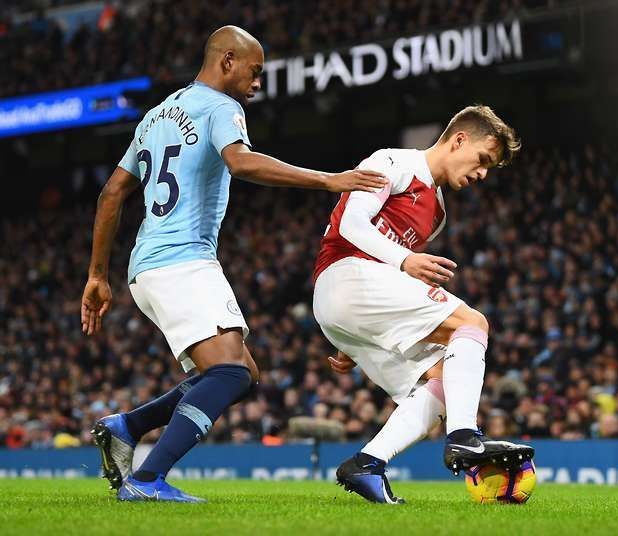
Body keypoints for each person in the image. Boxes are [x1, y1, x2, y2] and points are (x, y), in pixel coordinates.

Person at [81, 25, 386, 503]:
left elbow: (111, 194)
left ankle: (128, 426)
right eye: (255, 70)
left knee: (243, 373)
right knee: (230, 375)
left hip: (148, 265)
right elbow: (241, 163)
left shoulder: (156, 115)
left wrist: (98, 274)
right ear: (227, 61)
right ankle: (146, 479)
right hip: (181, 260)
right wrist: (330, 180)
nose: (258, 82)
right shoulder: (224, 108)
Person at [312, 105, 534, 504]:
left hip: (349, 303)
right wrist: (405, 259)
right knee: (473, 323)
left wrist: (349, 337)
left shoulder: (438, 213)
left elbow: (391, 279)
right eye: (483, 160)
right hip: (345, 274)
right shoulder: (392, 162)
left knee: (444, 378)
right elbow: (351, 224)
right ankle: (465, 438)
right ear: (459, 139)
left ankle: (368, 463)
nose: (483, 174)